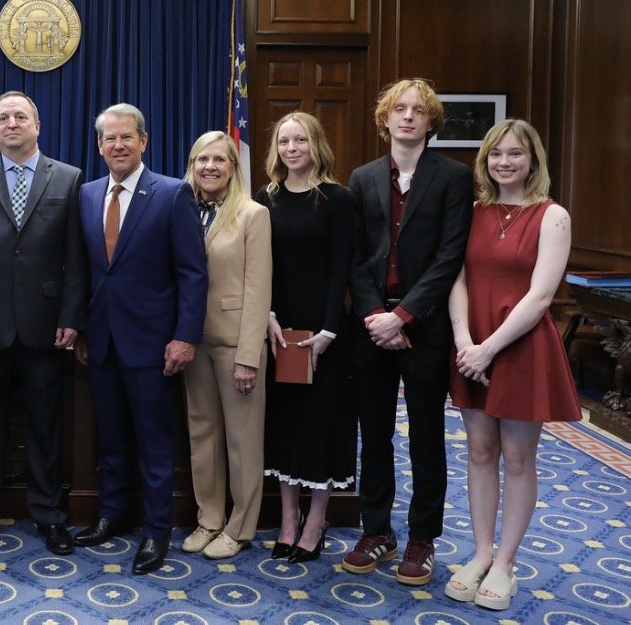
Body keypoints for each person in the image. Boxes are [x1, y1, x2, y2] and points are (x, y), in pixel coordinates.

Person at [443, 120, 580, 611]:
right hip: (471, 343)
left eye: (515, 154)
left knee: (518, 457)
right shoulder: (472, 211)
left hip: (519, 346)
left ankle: (505, 564)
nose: (505, 162)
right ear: (485, 160)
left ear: (533, 160)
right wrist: (464, 341)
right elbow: (455, 279)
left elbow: (541, 295)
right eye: (496, 154)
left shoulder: (552, 215)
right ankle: (480, 554)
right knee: (479, 451)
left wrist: (489, 348)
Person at [344, 78, 473, 586]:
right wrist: (378, 315)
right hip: (371, 326)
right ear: (386, 118)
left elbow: (451, 256)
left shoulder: (454, 178)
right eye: (400, 108)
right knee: (373, 435)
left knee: (426, 435)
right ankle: (376, 529)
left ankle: (422, 537)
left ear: (430, 120)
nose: (409, 117)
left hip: (426, 326)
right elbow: (354, 257)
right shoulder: (362, 177)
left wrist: (406, 316)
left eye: (419, 110)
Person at [73, 103, 208, 575]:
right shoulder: (88, 195)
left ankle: (155, 531)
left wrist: (185, 336)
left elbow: (193, 274)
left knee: (154, 442)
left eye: (126, 137)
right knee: (109, 438)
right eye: (109, 139)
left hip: (154, 343)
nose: (118, 145)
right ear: (99, 146)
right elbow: (87, 271)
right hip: (102, 340)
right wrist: (82, 330)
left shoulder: (172, 194)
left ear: (144, 142)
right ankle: (112, 514)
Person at [0, 91, 88, 556]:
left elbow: (76, 257)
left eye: (20, 116)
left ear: (38, 125)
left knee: (44, 427)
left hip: (46, 326)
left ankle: (50, 517)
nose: (11, 123)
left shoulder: (68, 178)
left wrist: (72, 316)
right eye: (3, 117)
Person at [255, 112, 358, 563]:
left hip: (326, 334)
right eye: (284, 141)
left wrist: (330, 329)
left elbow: (342, 269)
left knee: (322, 424)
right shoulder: (267, 198)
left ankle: (317, 522)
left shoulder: (338, 199)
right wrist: (269, 315)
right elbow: (262, 266)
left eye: (300, 140)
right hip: (280, 329)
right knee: (286, 423)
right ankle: (288, 520)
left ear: (316, 144)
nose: (291, 148)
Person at [178, 131, 271, 560]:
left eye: (219, 159)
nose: (210, 167)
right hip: (193, 340)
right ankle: (209, 518)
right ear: (192, 165)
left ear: (233, 167)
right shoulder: (181, 211)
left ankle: (240, 525)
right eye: (202, 160)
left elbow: (258, 290)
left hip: (236, 344)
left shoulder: (252, 214)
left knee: (242, 438)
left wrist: (250, 356)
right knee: (203, 434)